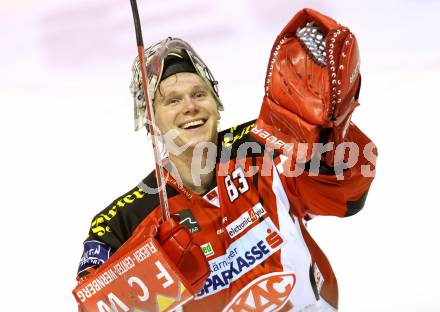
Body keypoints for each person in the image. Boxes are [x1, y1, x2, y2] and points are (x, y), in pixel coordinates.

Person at [76, 8, 377, 312]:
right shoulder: (121, 221)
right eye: (172, 100)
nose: (190, 107)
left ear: (217, 105)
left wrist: (332, 134)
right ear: (151, 121)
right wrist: (148, 270)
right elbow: (91, 305)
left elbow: (346, 198)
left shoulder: (265, 142)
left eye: (199, 94)